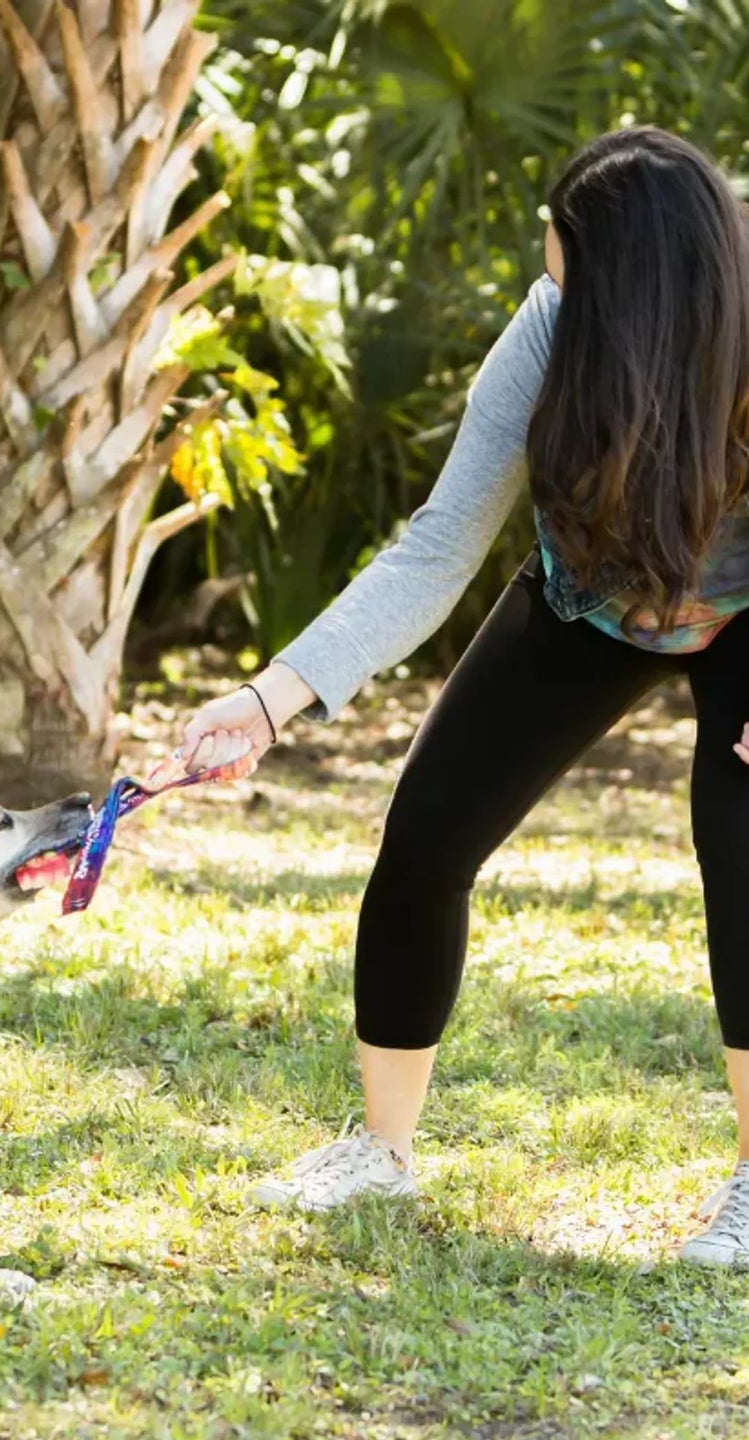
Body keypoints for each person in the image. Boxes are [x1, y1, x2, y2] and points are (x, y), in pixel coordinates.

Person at [173, 126, 749, 1266]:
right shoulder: (547, 331)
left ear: (636, 287)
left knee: (737, 834)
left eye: (563, 267)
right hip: (596, 592)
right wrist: (272, 696)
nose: (545, 285)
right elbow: (435, 549)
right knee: (427, 828)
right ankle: (379, 1154)